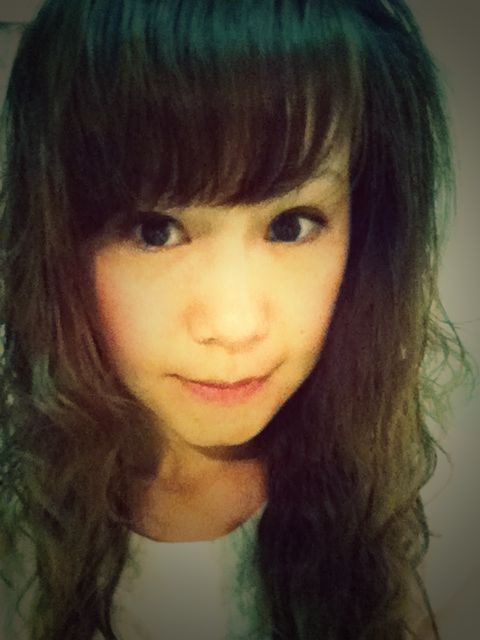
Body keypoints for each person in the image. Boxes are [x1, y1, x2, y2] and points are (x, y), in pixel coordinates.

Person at [0, 0, 476, 638]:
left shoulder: (430, 505)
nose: (234, 325)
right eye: (154, 231)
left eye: (291, 225)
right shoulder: (18, 533)